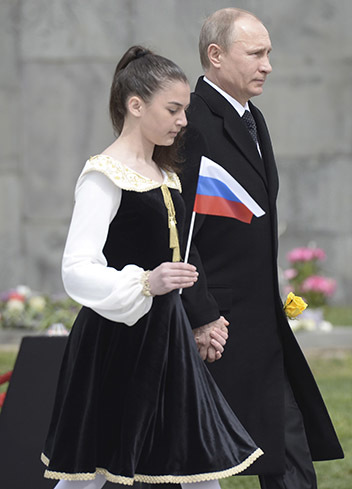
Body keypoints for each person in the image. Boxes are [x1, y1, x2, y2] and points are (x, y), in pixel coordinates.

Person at [41, 45, 262, 489]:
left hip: (168, 336)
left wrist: (202, 318)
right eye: (174, 109)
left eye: (184, 110)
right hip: (116, 340)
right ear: (135, 105)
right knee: (90, 470)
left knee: (197, 459)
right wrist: (146, 281)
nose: (184, 120)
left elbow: (182, 255)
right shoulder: (104, 176)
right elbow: (76, 267)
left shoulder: (168, 175)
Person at [179, 8, 343, 489]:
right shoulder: (189, 123)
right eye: (256, 53)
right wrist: (201, 313)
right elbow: (177, 231)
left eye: (268, 53)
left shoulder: (254, 118)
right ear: (215, 55)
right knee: (184, 462)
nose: (268, 64)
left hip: (259, 322)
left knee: (288, 447)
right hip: (217, 328)